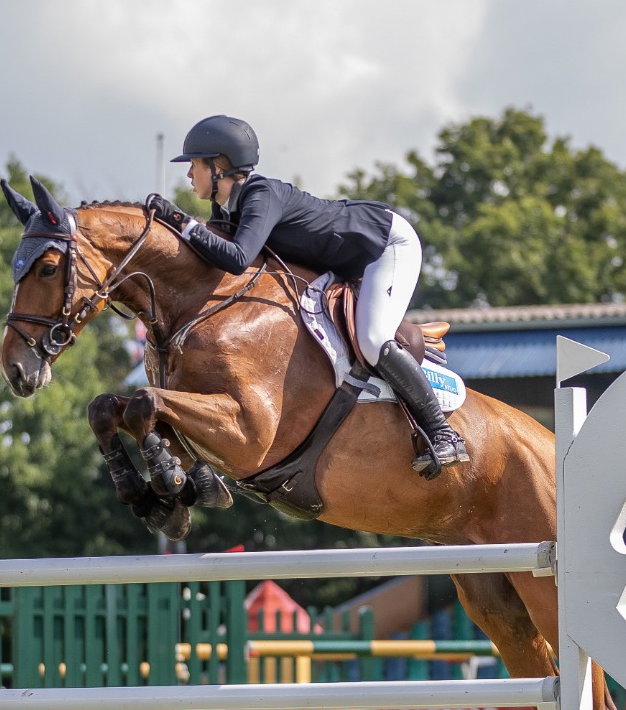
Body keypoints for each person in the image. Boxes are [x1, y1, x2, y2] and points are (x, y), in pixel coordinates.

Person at [146, 115, 468, 477]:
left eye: (194, 165)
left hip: (386, 244)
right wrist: (170, 228)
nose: (189, 175)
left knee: (373, 340)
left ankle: (443, 434)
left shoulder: (259, 194)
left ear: (218, 167)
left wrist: (181, 221)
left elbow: (236, 259)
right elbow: (213, 256)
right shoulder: (226, 207)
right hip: (349, 257)